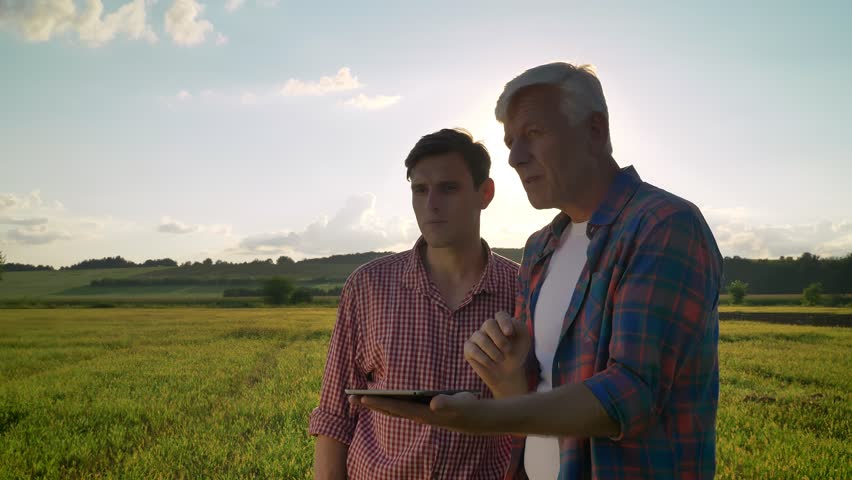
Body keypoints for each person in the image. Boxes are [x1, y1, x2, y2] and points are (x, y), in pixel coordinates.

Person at [353, 63, 723, 479]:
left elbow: (632, 393)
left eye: (533, 134)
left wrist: (480, 418)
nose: (514, 157)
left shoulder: (662, 225)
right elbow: (535, 394)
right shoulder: (541, 248)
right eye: (511, 142)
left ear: (595, 130)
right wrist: (507, 372)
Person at [310, 128, 519, 479]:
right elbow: (335, 415)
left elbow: (538, 412)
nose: (431, 204)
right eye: (420, 190)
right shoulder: (368, 286)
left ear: (485, 193)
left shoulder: (523, 290)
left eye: (448, 188)